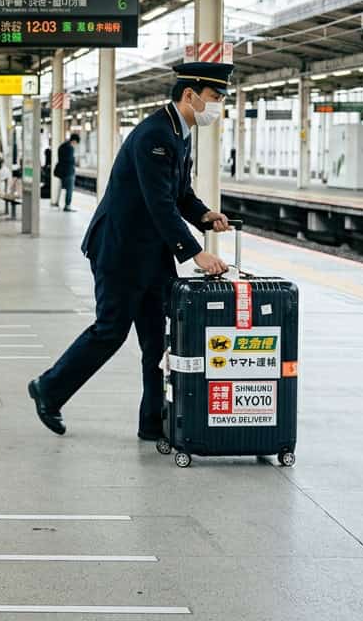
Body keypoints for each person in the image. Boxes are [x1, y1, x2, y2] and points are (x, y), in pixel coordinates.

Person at [28, 62, 235, 441]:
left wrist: (204, 216)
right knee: (111, 331)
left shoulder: (180, 132)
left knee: (158, 340)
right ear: (190, 95)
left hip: (151, 252)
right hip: (119, 248)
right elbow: (158, 202)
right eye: (215, 98)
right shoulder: (154, 135)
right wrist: (194, 253)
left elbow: (179, 194)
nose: (219, 106)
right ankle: (49, 388)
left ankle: (153, 422)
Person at [54, 132, 79, 212]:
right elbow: (70, 160)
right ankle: (67, 206)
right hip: (68, 172)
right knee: (69, 189)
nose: (75, 145)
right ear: (74, 141)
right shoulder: (70, 148)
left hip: (61, 171)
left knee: (62, 188)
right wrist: (74, 160)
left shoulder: (62, 146)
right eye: (76, 143)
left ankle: (58, 202)